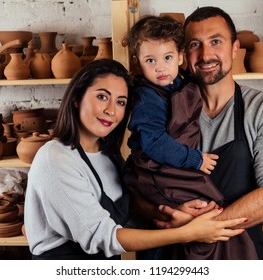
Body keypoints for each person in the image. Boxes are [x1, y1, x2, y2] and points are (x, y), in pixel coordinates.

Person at [24, 58, 248, 260]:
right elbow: (102, 236)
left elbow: (130, 215)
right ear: (76, 99)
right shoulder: (55, 157)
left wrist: (174, 213)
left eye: (121, 102)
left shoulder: (108, 156)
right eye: (102, 96)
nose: (111, 110)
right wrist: (185, 233)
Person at [158, 6, 263, 259]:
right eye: (194, 45)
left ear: (235, 48)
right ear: (183, 55)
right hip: (173, 254)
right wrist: (181, 231)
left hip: (239, 255)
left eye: (216, 42)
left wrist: (201, 229)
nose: (205, 54)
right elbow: (139, 177)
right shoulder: (165, 109)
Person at [122, 15, 258, 259]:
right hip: (157, 172)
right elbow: (154, 143)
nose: (160, 67)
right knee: (201, 213)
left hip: (177, 170)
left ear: (180, 57)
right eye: (150, 60)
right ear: (138, 62)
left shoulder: (181, 82)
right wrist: (195, 160)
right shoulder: (147, 97)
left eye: (167, 58)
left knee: (212, 206)